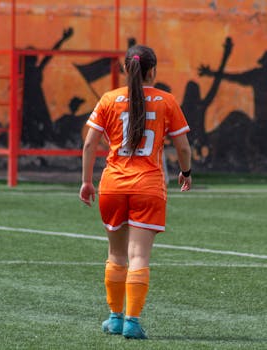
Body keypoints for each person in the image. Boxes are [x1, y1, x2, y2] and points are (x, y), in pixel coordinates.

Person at [79, 45, 192, 340]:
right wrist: (186, 172)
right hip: (148, 186)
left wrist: (86, 181)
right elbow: (183, 146)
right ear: (152, 71)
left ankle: (115, 318)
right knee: (139, 255)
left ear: (126, 68)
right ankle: (132, 321)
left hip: (113, 184)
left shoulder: (109, 99)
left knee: (116, 253)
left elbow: (90, 144)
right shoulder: (166, 101)